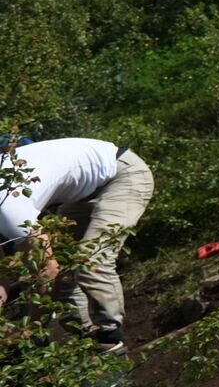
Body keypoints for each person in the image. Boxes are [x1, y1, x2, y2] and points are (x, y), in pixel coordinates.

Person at [0, 137, 155, 352]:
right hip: (81, 195)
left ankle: (109, 337)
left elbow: (47, 270)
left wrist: (33, 327)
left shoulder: (7, 206)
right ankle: (85, 338)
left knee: (91, 260)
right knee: (66, 266)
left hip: (122, 175)